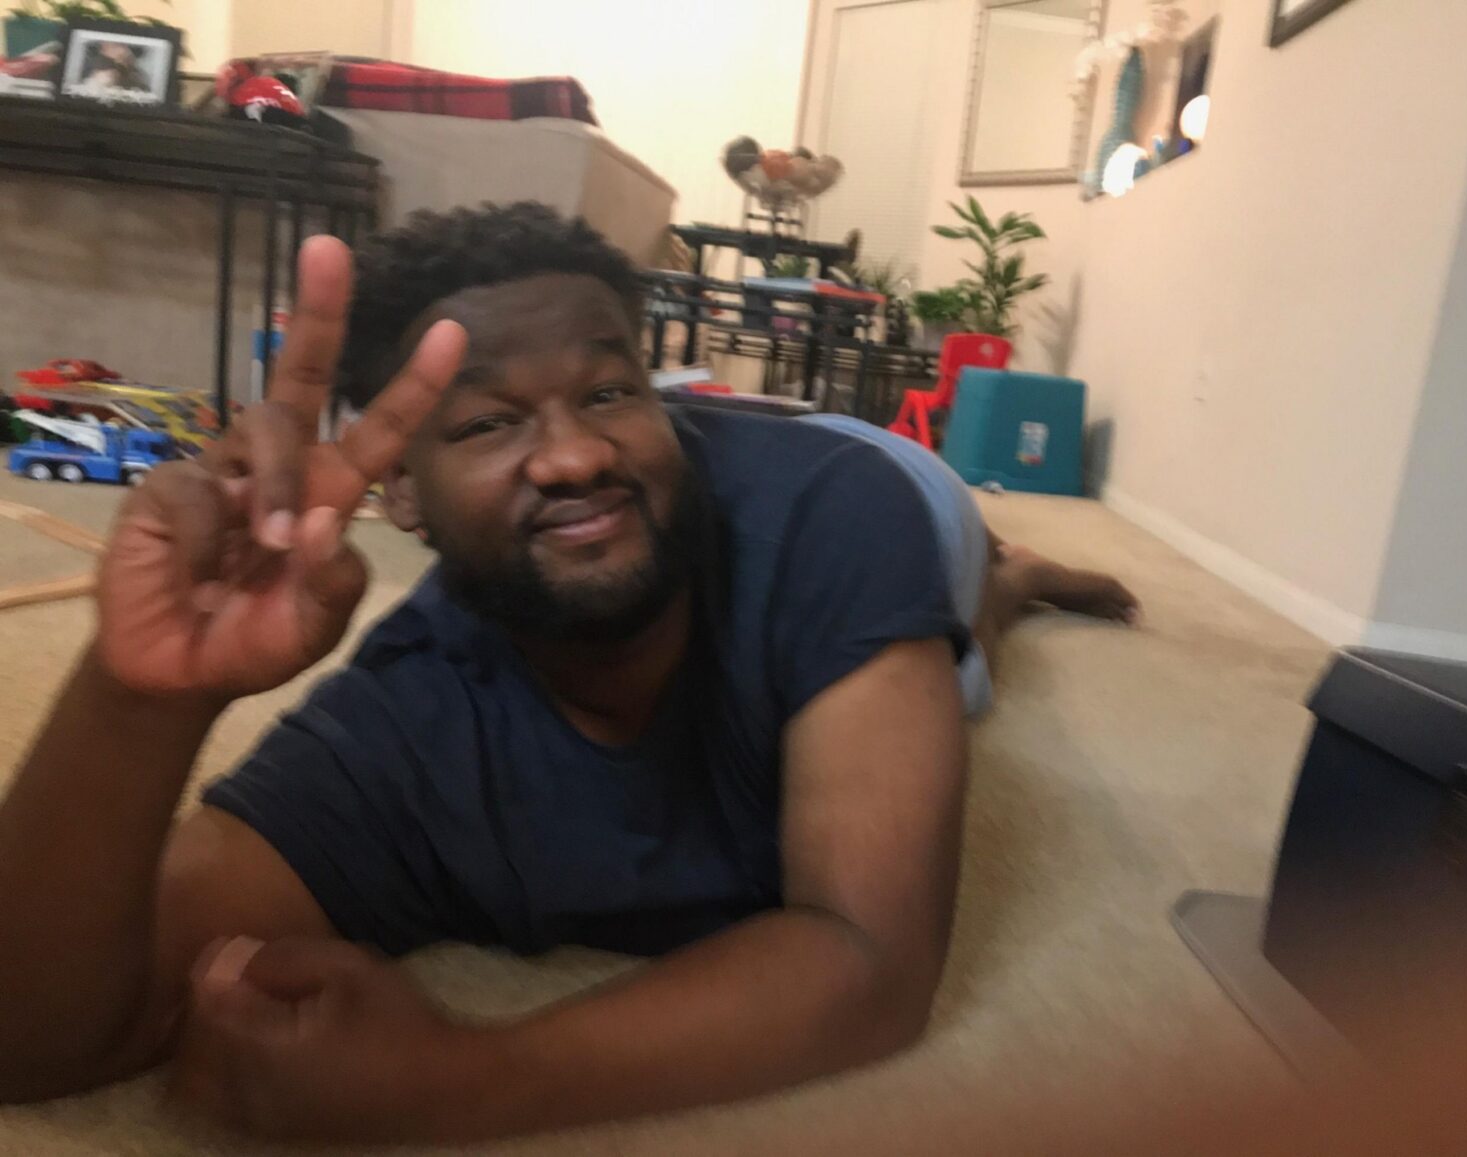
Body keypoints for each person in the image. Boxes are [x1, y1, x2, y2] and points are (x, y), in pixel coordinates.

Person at [0, 203, 1135, 1144]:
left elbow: (870, 961)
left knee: (961, 661)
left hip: (893, 485)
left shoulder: (835, 522)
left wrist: (462, 1077)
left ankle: (1007, 572)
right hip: (780, 501)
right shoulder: (411, 718)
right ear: (401, 492)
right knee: (939, 680)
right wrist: (141, 695)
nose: (577, 452)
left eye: (608, 391)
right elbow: (33, 1034)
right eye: (491, 419)